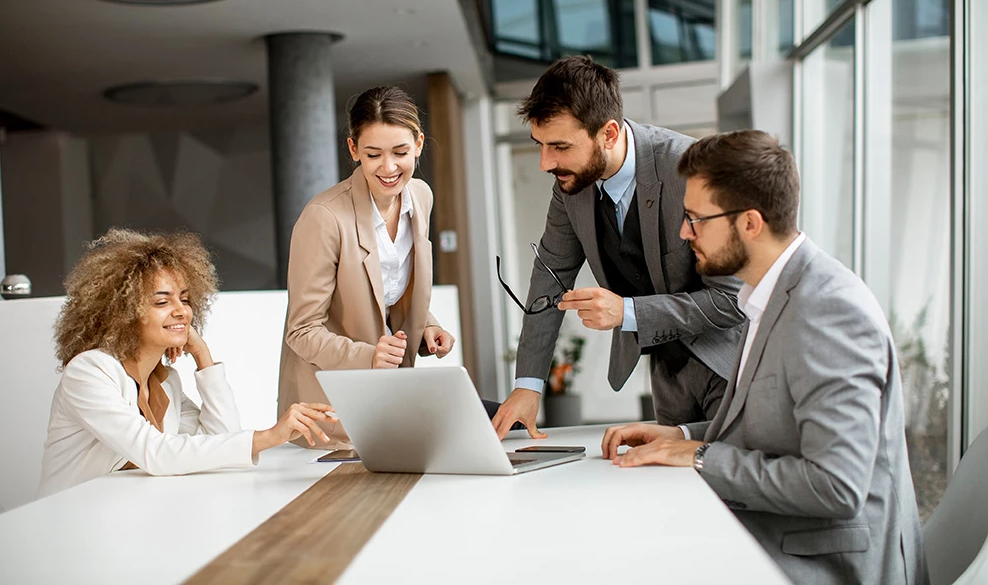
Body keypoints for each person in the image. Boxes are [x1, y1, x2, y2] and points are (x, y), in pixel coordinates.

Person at [601, 131, 927, 584]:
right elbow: (776, 426)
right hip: (785, 537)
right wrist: (676, 436)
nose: (683, 232)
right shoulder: (769, 295)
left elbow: (835, 486)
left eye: (696, 219)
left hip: (831, 564)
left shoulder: (827, 311)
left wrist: (700, 457)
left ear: (750, 223)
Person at [492, 55, 745, 439]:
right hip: (665, 373)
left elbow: (732, 300)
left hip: (732, 366)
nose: (545, 162)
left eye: (559, 146)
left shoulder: (691, 168)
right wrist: (528, 386)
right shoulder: (569, 189)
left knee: (729, 492)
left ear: (608, 134)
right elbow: (548, 279)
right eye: (540, 145)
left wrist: (626, 311)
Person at [39, 229, 336, 498]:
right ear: (124, 313)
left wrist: (202, 356)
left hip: (124, 519)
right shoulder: (90, 372)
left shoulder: (165, 382)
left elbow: (221, 441)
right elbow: (154, 452)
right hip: (67, 521)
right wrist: (269, 436)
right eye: (162, 302)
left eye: (184, 299)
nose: (182, 311)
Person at [279, 85, 455, 449]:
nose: (389, 168)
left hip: (389, 397)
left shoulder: (421, 196)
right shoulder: (324, 218)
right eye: (374, 154)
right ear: (353, 149)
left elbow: (387, 288)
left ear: (419, 144)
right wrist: (368, 355)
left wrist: (427, 325)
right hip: (331, 412)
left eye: (401, 152)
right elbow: (301, 330)